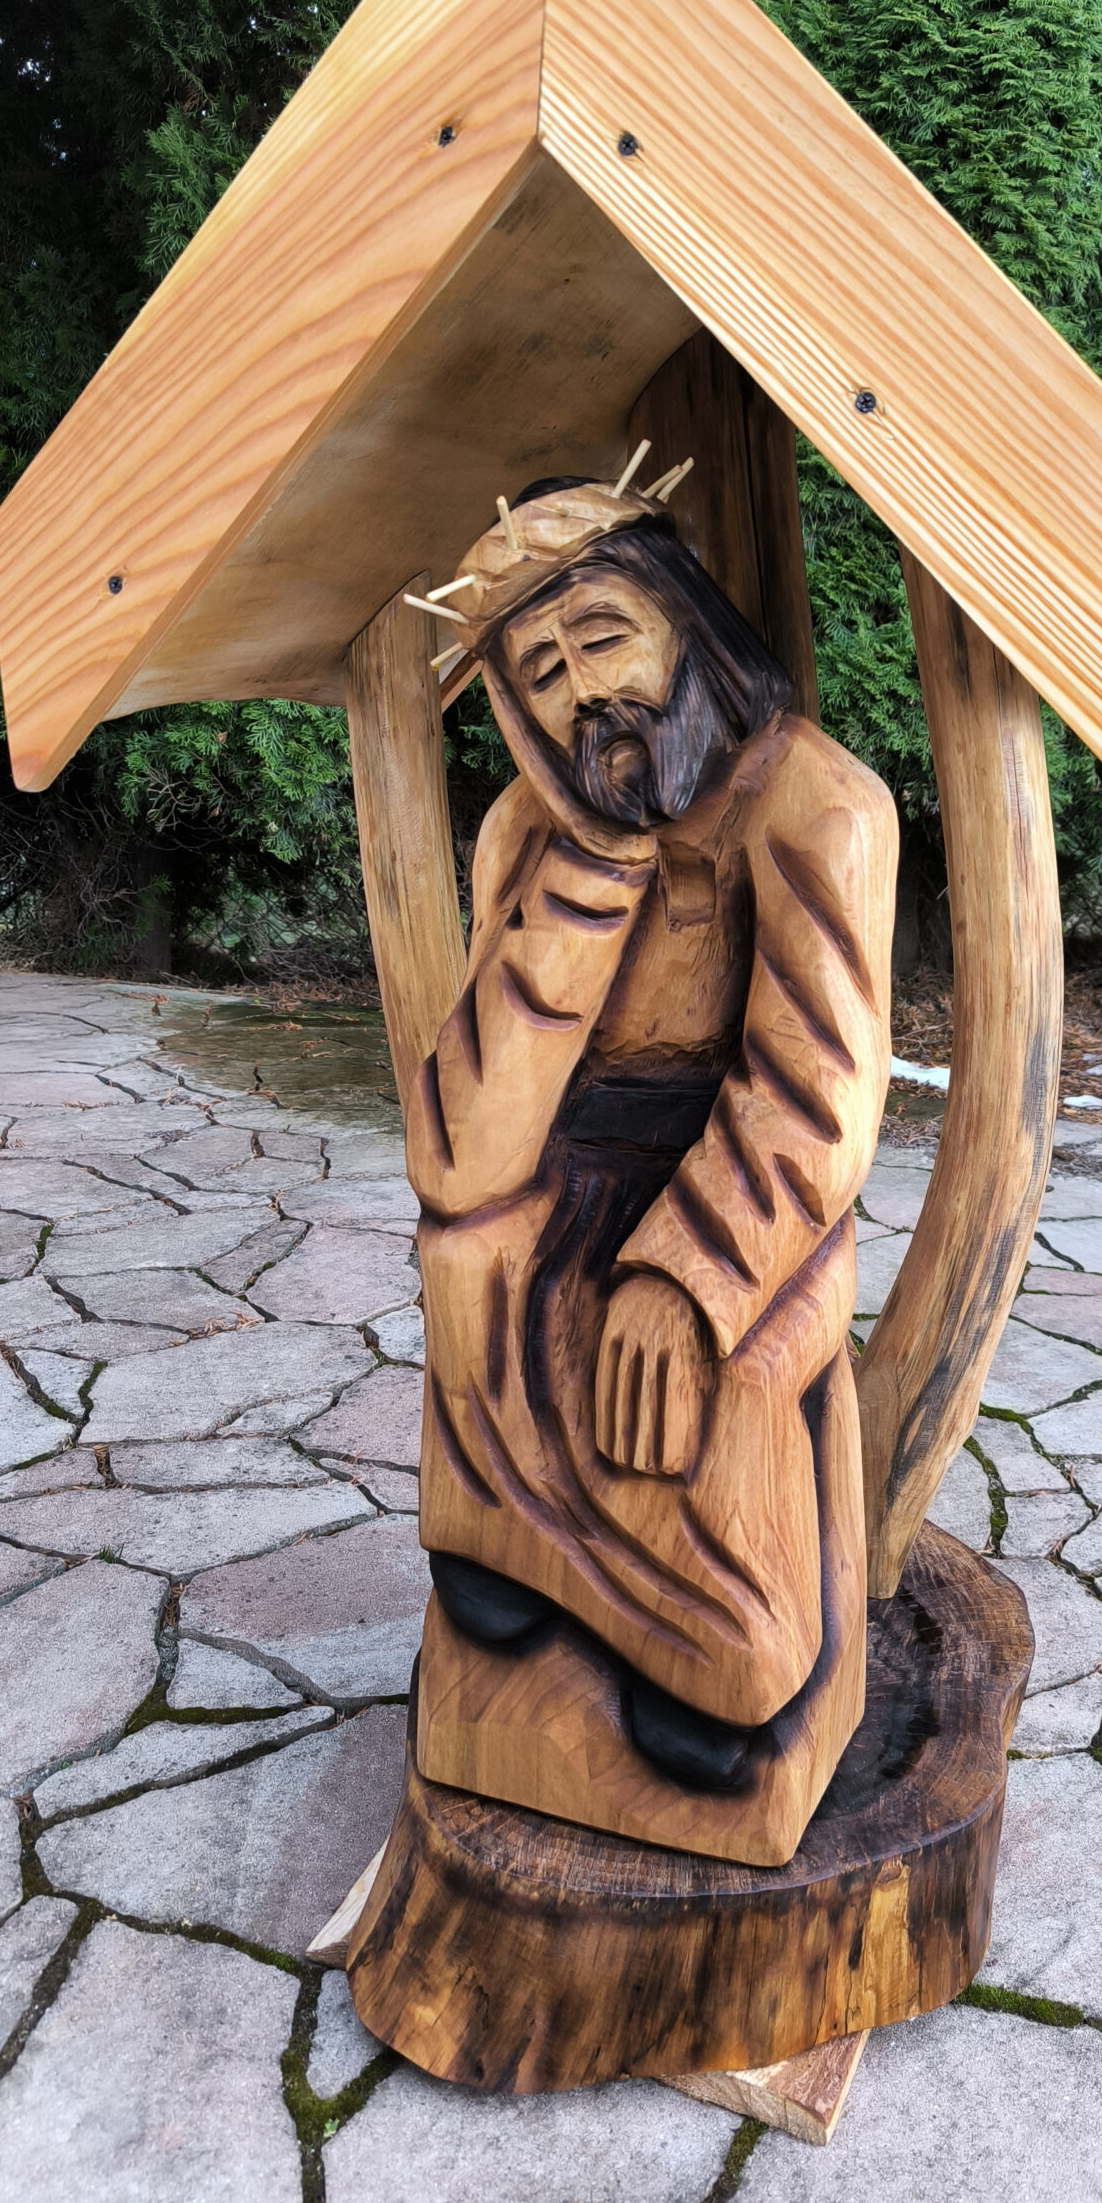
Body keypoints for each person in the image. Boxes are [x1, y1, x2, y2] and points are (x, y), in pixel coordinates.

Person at [405, 463, 895, 1803]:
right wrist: (587, 872)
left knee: (722, 1369)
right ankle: (514, 1553)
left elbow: (816, 1087)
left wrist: (687, 1276)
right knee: (470, 1255)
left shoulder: (818, 803)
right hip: (577, 1160)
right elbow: (462, 1154)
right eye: (541, 670)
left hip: (755, 1194)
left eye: (603, 635)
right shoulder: (526, 831)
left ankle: (721, 1659)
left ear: (686, 622)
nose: (584, 691)